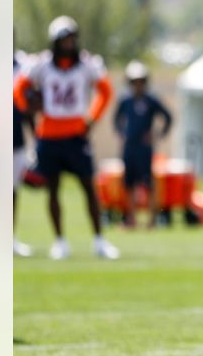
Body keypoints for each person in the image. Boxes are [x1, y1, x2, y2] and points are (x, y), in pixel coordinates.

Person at [12, 16, 119, 260]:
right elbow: (18, 89)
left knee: (88, 187)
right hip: (49, 134)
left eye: (72, 39)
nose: (69, 44)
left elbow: (106, 90)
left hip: (75, 133)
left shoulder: (87, 65)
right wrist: (28, 107)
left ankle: (99, 240)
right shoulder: (42, 65)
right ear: (55, 42)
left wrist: (92, 117)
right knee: (53, 189)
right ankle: (60, 241)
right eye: (64, 40)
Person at [113, 61, 173, 228]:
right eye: (134, 81)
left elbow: (168, 117)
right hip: (129, 147)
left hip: (144, 148)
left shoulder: (151, 100)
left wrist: (158, 135)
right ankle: (131, 220)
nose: (138, 85)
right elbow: (116, 120)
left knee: (148, 184)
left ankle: (151, 221)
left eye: (140, 81)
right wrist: (122, 134)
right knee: (129, 184)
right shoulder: (125, 100)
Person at [13, 48, 36, 257]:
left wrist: (36, 135)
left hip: (14, 137)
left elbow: (27, 105)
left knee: (12, 190)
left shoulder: (22, 66)